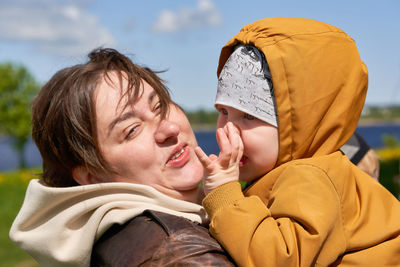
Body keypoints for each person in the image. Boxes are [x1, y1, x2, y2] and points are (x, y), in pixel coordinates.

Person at [195, 17, 400, 266]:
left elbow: (279, 259)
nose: (229, 129)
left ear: (303, 124)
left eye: (249, 116)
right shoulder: (292, 171)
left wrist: (224, 197)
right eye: (223, 111)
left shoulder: (310, 177)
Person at [9, 48, 235, 267]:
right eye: (132, 129)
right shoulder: (181, 253)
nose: (169, 128)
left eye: (159, 105)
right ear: (91, 176)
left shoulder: (112, 235)